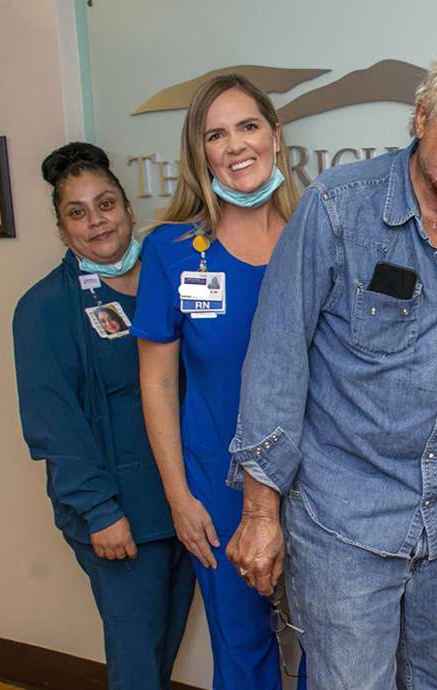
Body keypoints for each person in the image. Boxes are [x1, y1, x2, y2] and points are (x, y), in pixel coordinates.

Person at [223, 44, 437, 689]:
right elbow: (276, 360)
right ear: (422, 118)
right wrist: (259, 514)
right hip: (345, 521)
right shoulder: (339, 207)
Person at [130, 74, 302, 690]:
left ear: (275, 135)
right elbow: (157, 384)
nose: (236, 146)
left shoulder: (316, 236)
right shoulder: (172, 251)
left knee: (332, 644)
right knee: (243, 647)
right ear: (199, 152)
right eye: (216, 134)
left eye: (248, 126)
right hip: (217, 485)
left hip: (316, 481)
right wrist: (179, 497)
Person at [13, 142, 193, 690]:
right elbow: (53, 425)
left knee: (163, 652)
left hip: (184, 504)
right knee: (137, 665)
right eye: (78, 212)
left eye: (105, 204)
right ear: (62, 227)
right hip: (120, 515)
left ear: (127, 208)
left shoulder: (170, 278)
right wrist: (100, 512)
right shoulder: (46, 307)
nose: (96, 221)